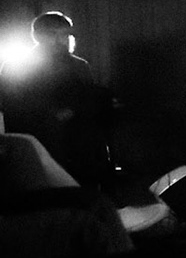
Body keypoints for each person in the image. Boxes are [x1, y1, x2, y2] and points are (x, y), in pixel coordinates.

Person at [0, 11, 112, 187]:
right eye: (53, 34)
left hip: (77, 148)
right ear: (37, 36)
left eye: (65, 34)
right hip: (40, 143)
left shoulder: (79, 65)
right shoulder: (17, 66)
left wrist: (71, 111)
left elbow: (89, 100)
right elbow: (12, 105)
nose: (61, 40)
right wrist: (51, 115)